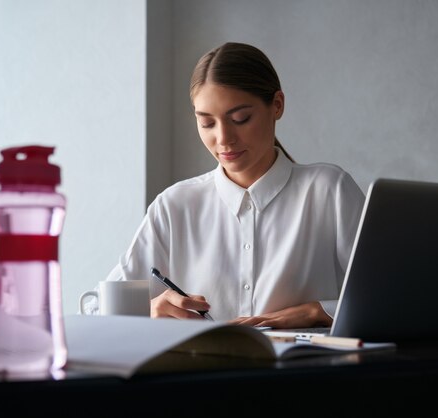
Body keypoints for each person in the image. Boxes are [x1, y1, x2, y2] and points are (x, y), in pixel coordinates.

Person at [101, 42, 365, 329]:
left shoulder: (329, 190)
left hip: (304, 372)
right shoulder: (174, 206)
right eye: (207, 123)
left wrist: (319, 311)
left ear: (277, 105)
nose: (224, 139)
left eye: (240, 119)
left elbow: (398, 298)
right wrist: (149, 309)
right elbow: (95, 309)